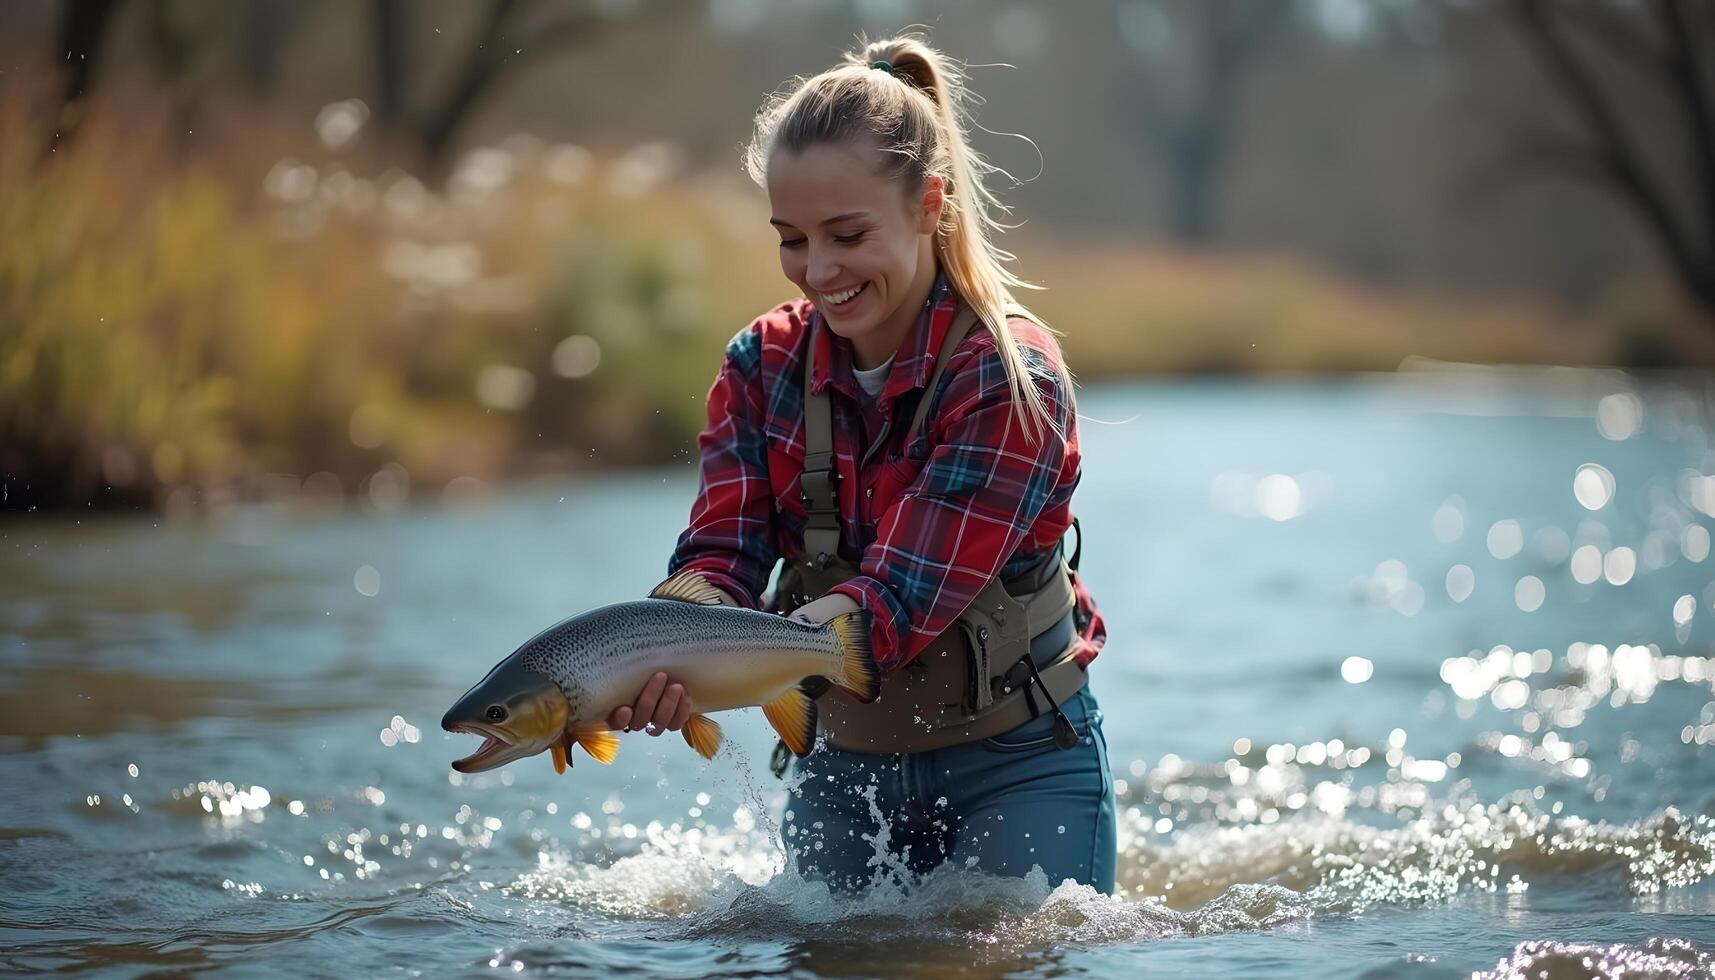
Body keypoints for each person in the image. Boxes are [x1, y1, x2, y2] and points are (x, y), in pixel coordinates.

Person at [607, 33, 1114, 894]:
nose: (818, 271)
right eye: (792, 239)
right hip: (842, 772)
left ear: (929, 204)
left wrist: (711, 657)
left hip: (1019, 762)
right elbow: (720, 559)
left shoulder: (1007, 378)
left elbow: (896, 600)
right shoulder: (756, 366)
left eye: (846, 234)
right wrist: (661, 659)